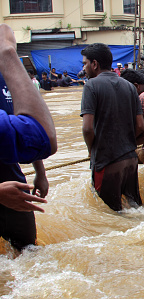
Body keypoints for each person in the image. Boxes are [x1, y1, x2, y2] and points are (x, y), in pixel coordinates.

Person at [0, 23, 57, 251]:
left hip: (12, 185)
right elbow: (42, 132)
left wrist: (40, 173)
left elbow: (23, 127)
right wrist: (7, 52)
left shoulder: (7, 81)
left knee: (26, 254)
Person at [80, 43, 144, 211]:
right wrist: (127, 142)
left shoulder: (91, 86)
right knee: (135, 210)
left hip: (107, 162)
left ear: (94, 64)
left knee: (110, 216)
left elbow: (87, 129)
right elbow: (140, 125)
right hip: (130, 160)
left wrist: (90, 150)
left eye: (85, 63)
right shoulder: (130, 86)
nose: (84, 68)